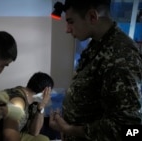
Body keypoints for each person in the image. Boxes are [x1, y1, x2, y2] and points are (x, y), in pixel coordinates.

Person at [49, 0, 142, 141]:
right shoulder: (98, 43)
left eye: (71, 22)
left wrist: (70, 129)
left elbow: (129, 129)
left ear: (92, 16)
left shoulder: (121, 57)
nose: (67, 29)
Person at [0, 72, 54, 141]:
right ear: (45, 91)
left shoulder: (34, 101)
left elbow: (34, 132)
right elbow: (8, 135)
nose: (49, 97)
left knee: (43, 139)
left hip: (14, 132)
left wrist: (41, 108)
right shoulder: (18, 100)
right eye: (49, 93)